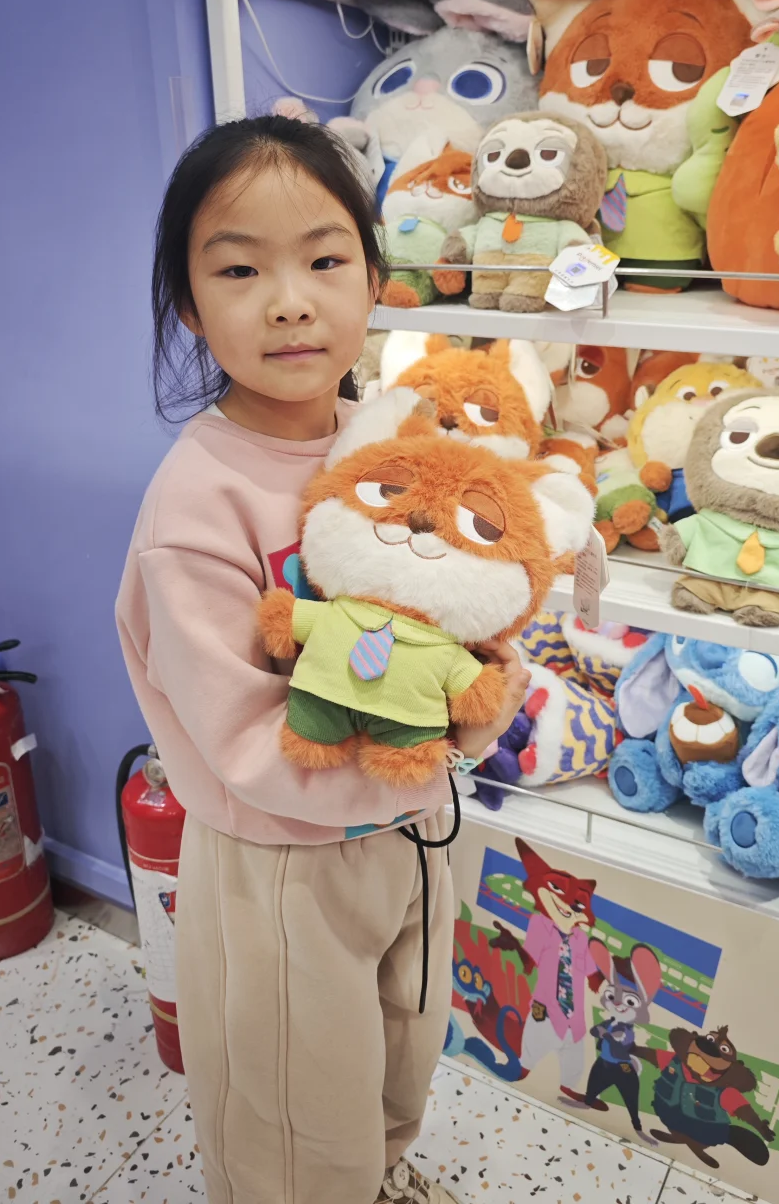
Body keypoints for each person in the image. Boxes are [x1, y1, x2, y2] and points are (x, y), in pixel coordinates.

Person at [116, 115, 530, 1204]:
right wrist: (434, 748)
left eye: (325, 260)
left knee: (401, 1048)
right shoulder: (197, 505)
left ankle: (383, 1173)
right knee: (296, 1116)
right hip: (282, 862)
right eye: (240, 269)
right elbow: (246, 742)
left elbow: (458, 595)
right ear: (188, 304)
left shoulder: (395, 442)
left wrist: (486, 681)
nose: (290, 301)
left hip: (411, 831)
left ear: (375, 282)